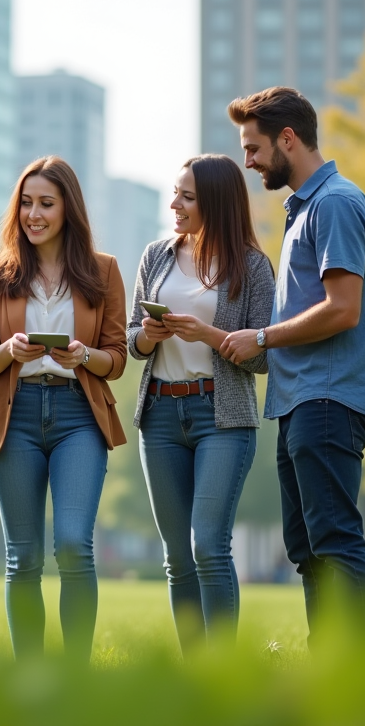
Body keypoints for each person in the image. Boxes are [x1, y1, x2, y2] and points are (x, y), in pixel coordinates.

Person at [220, 86, 365, 644]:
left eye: (253, 148)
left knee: (336, 539)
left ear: (288, 139)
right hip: (301, 401)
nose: (248, 162)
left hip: (329, 397)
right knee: (307, 546)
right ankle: (331, 670)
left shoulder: (335, 204)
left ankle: (358, 675)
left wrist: (263, 338)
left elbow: (343, 310)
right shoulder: (304, 210)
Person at [0, 156, 127, 662]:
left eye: (46, 204)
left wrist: (85, 356)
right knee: (24, 557)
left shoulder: (103, 271)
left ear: (68, 209)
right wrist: (9, 352)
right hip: (13, 415)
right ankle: (31, 676)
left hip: (79, 415)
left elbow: (118, 358)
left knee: (74, 545)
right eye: (26, 204)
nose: (33, 215)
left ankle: (74, 677)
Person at [127, 154, 274, 653]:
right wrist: (147, 335)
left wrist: (210, 334)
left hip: (222, 416)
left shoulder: (252, 266)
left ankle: (222, 671)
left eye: (187, 197)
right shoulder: (156, 256)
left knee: (208, 545)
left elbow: (264, 358)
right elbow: (131, 343)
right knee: (177, 556)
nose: (175, 204)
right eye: (176, 193)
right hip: (162, 416)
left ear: (215, 203)